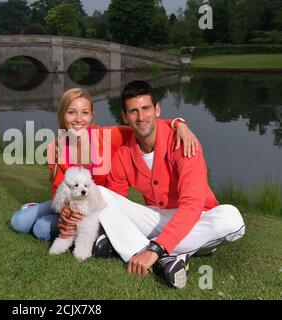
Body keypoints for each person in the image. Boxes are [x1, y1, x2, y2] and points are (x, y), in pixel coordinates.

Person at [94, 81, 245, 288]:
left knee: (231, 218)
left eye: (146, 108)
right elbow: (115, 201)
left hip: (198, 219)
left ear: (157, 109)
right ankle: (166, 262)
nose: (141, 117)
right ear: (125, 117)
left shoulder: (184, 142)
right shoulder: (123, 154)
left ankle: (148, 251)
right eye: (133, 111)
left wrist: (156, 248)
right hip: (158, 218)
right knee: (99, 196)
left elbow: (192, 205)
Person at [10, 88, 199, 243]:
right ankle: (39, 211)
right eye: (71, 112)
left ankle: (85, 234)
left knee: (41, 228)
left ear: (92, 116)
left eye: (84, 113)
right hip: (70, 203)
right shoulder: (55, 147)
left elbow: (143, 125)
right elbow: (57, 189)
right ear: (63, 115)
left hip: (99, 207)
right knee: (18, 222)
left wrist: (178, 124)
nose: (78, 119)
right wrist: (66, 213)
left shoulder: (108, 136)